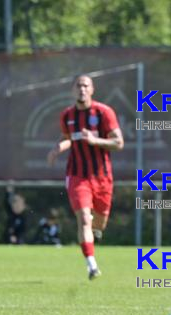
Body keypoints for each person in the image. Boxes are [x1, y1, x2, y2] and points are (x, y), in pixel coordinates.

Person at [47, 74, 124, 280]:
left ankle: (96, 231)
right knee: (83, 219)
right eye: (78, 86)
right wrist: (57, 148)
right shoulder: (67, 115)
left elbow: (118, 142)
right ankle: (92, 266)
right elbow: (68, 139)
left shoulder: (104, 113)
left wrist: (95, 140)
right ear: (73, 90)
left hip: (102, 177)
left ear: (92, 89)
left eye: (85, 85)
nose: (82, 89)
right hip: (77, 175)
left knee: (100, 222)